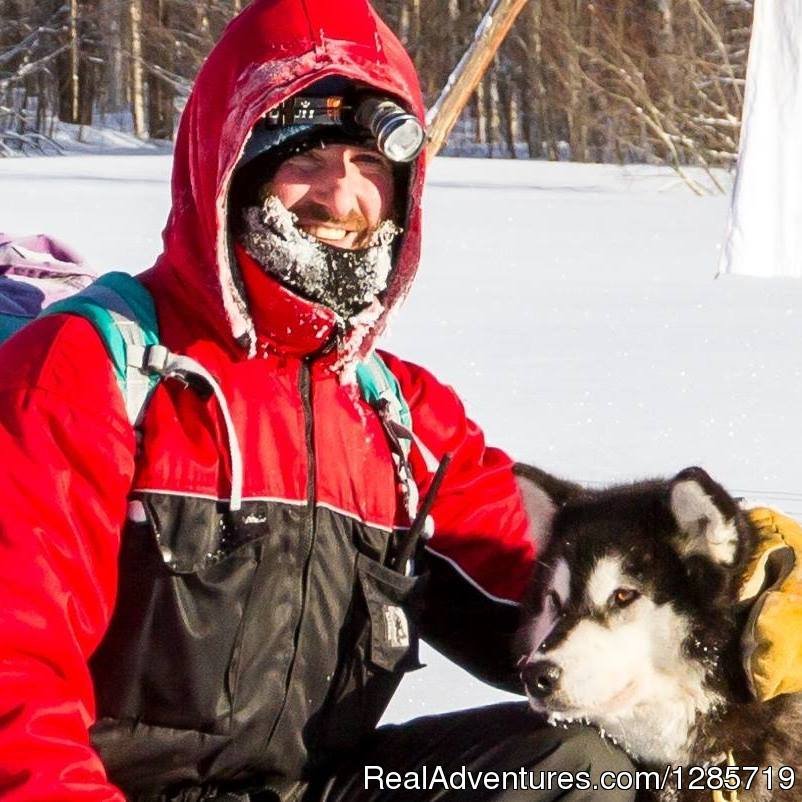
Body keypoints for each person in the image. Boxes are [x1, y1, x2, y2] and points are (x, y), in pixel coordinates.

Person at [0, 1, 798, 801]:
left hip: (327, 784)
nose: (343, 199)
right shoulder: (91, 368)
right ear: (229, 166)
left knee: (580, 774)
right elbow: (15, 672)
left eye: (369, 164)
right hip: (115, 788)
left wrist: (731, 593)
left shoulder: (396, 416)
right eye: (304, 157)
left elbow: (549, 579)